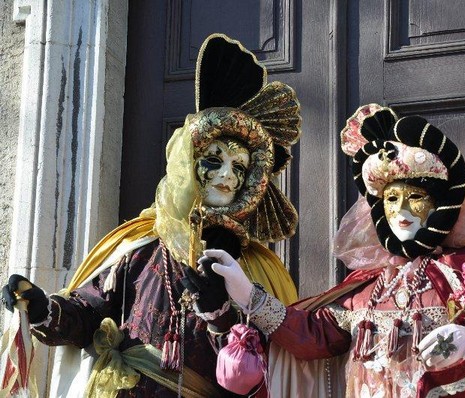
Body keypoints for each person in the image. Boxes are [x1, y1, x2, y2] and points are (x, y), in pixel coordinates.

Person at [2, 33, 301, 397]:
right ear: (187, 162)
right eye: (214, 160)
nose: (226, 176)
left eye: (240, 168)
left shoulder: (258, 272)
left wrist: (220, 315)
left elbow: (272, 371)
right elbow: (86, 312)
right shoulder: (141, 248)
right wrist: (40, 308)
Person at [203, 105, 465, 397]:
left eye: (415, 197)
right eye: (391, 199)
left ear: (440, 205)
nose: (400, 211)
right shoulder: (368, 288)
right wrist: (248, 294)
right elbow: (315, 336)